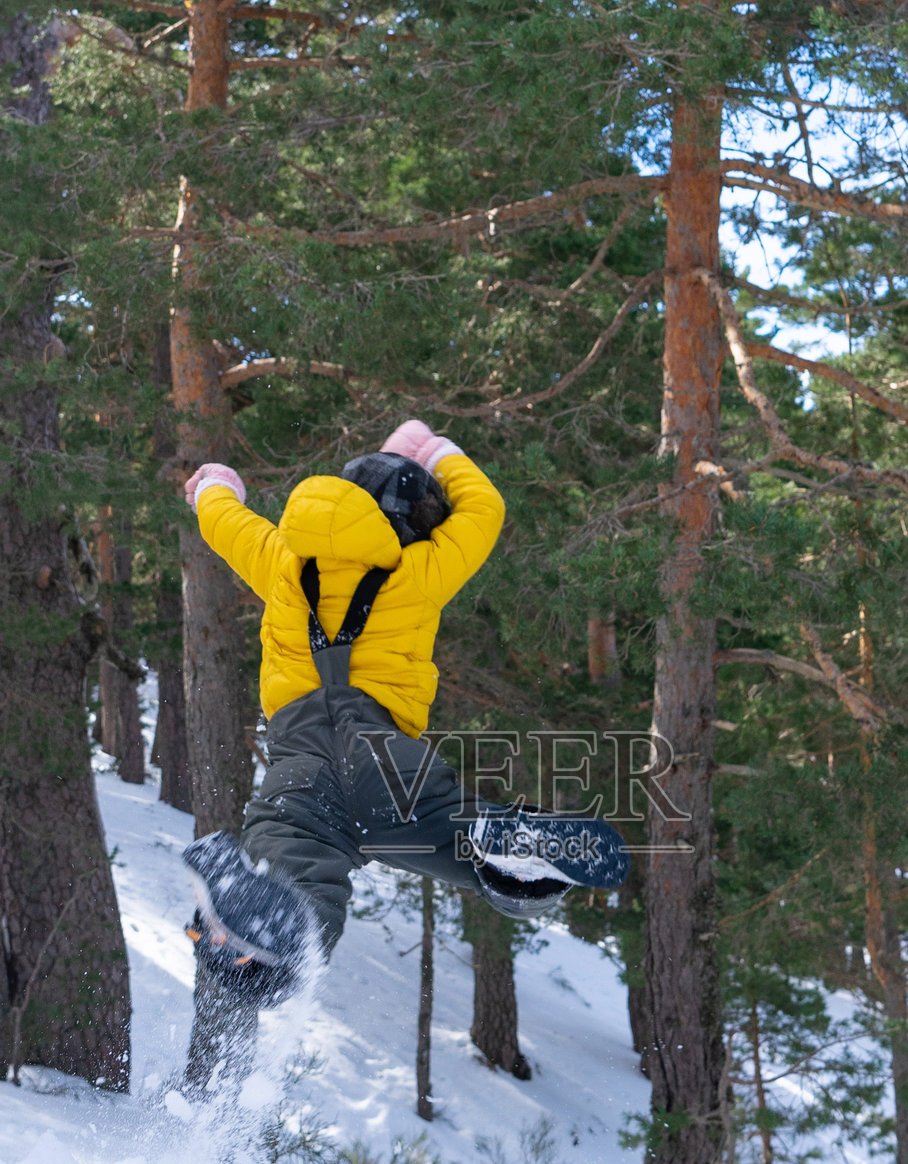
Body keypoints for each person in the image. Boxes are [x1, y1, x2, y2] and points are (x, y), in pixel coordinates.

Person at [179, 420, 627, 1091]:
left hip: (301, 771)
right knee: (450, 830)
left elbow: (224, 523)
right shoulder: (417, 570)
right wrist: (435, 451)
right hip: (389, 762)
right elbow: (485, 509)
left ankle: (272, 940)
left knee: (299, 885)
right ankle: (505, 850)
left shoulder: (281, 559)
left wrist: (213, 485)